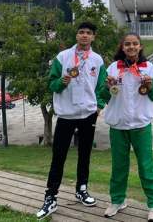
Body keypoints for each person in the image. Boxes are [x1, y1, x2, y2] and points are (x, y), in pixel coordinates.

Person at [36, 21, 107, 220]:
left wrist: (99, 106)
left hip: (88, 114)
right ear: (76, 36)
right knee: (58, 156)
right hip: (66, 114)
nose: (84, 36)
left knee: (85, 154)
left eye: (88, 33)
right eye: (81, 32)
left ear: (93, 37)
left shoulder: (97, 59)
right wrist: (62, 81)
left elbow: (102, 86)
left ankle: (81, 189)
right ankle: (50, 197)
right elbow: (52, 84)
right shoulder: (63, 57)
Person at [99, 33, 153, 222]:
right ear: (122, 47)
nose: (131, 47)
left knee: (146, 166)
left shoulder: (149, 68)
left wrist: (150, 87)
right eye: (127, 44)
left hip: (141, 125)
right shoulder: (112, 68)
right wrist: (106, 86)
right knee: (119, 166)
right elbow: (104, 94)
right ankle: (118, 200)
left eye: (135, 44)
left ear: (140, 47)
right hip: (118, 125)